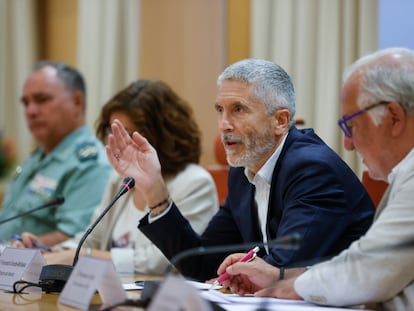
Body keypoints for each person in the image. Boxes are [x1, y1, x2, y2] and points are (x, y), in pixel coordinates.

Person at [106, 58, 375, 282]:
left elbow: (281, 269)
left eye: (238, 110)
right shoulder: (242, 172)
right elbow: (199, 262)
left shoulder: (312, 169)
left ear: (280, 121)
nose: (224, 124)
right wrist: (154, 189)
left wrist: (236, 275)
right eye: (220, 110)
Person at [216, 47, 414, 311]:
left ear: (394, 117)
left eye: (351, 126)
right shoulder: (404, 175)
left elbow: (370, 270)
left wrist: (289, 284)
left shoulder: (311, 166)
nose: (348, 144)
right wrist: (281, 276)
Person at [32, 79, 218, 275]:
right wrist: (47, 251)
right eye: (113, 133)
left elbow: (164, 261)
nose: (119, 144)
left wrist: (88, 257)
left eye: (127, 134)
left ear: (163, 134)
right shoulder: (120, 179)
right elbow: (92, 239)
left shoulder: (195, 183)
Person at [0, 61, 112, 247]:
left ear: (77, 102)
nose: (30, 111)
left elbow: (75, 238)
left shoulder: (90, 164)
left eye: (42, 100)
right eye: (26, 103)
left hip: (35, 272)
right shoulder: (37, 157)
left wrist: (13, 251)